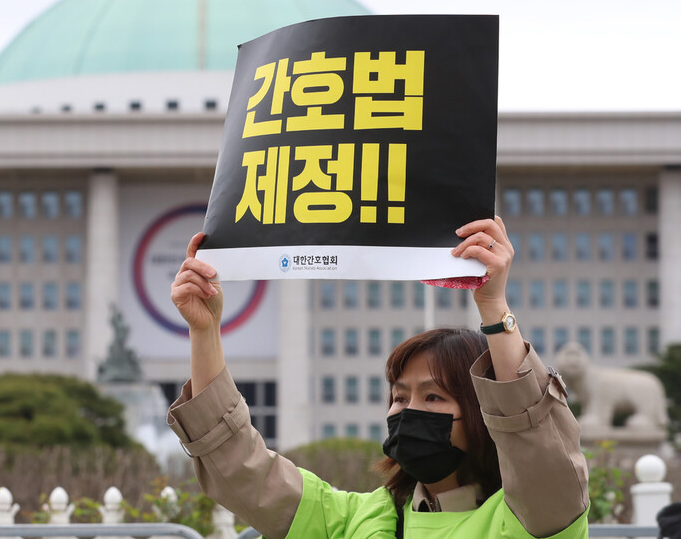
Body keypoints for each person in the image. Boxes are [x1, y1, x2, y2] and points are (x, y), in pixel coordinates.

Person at [167, 217, 589, 539]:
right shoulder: (356, 519)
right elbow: (241, 469)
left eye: (434, 397)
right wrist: (204, 332)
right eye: (400, 397)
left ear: (485, 413)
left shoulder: (527, 516)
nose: (409, 412)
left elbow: (537, 443)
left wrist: (494, 306)